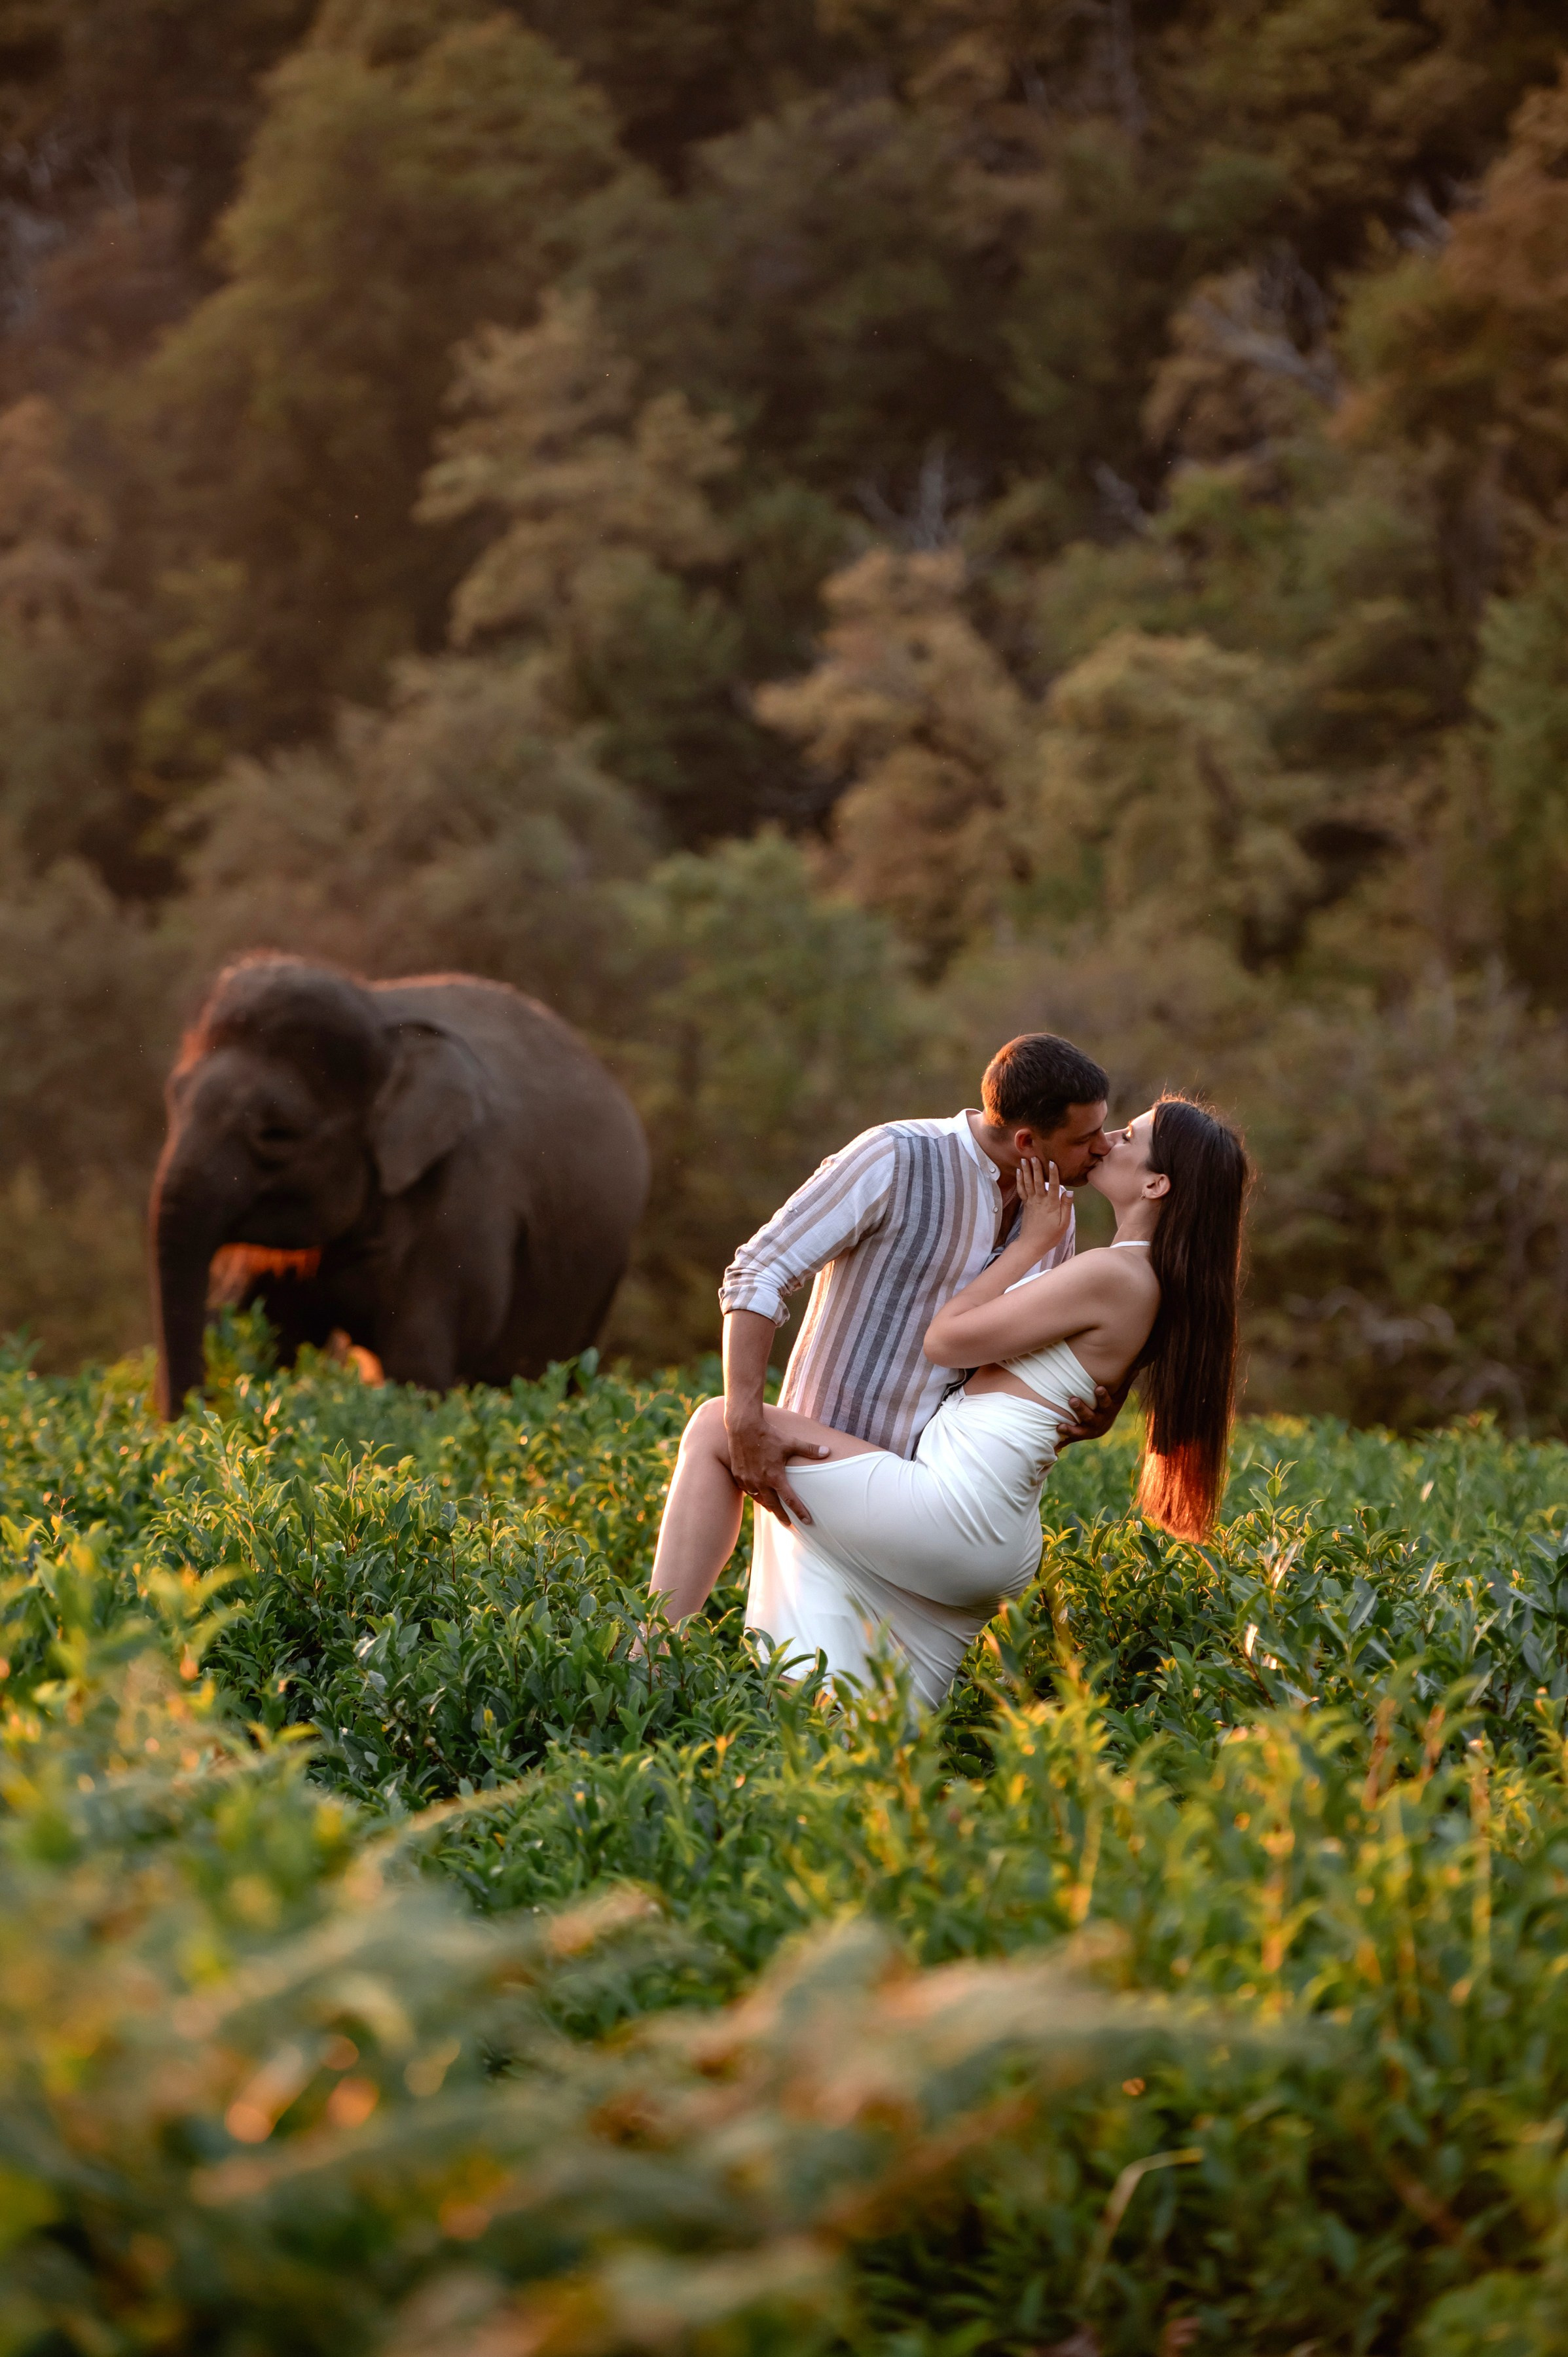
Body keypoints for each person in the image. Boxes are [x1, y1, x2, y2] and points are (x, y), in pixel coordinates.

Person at [649, 1095, 1250, 1703]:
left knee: (714, 1426)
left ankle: (648, 1657)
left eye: (1128, 1137)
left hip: (955, 1511)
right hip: (990, 1532)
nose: (1106, 1142)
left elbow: (944, 1340)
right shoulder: (1153, 1283)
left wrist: (1030, 1242)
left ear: (1155, 1184)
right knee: (849, 1724)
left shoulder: (1112, 1273)